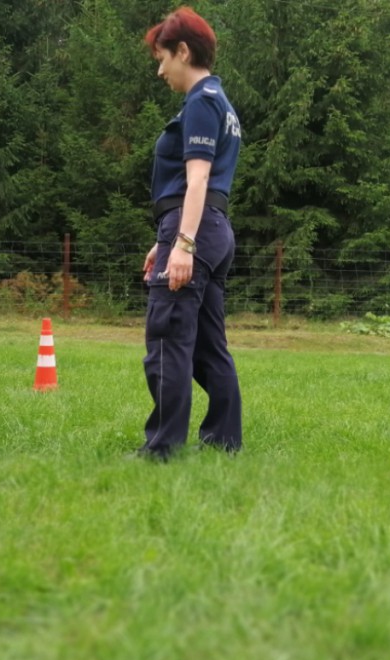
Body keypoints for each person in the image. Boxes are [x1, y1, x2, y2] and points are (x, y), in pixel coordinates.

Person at [138, 6, 243, 461]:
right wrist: (164, 240)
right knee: (207, 345)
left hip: (195, 231)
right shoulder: (221, 101)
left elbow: (196, 179)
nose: (161, 71)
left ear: (184, 51)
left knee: (167, 339)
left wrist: (181, 243)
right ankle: (223, 441)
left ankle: (161, 449)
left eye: (163, 58)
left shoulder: (201, 101)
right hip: (211, 230)